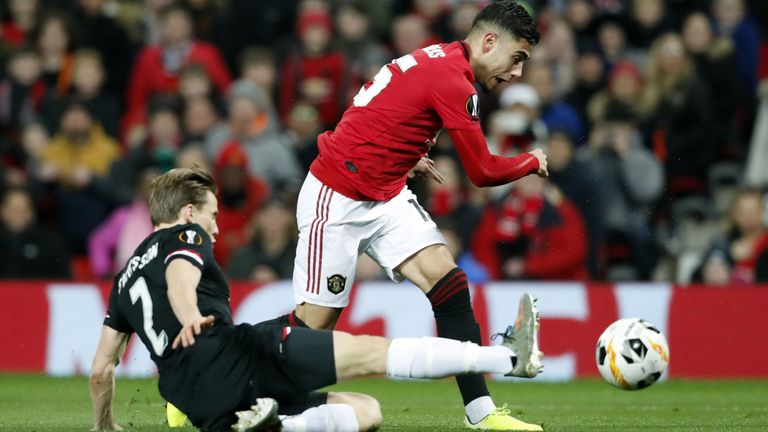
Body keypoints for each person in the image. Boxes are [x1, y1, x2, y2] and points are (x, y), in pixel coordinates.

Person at [88, 166, 544, 432]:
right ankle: (506, 358)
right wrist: (188, 314)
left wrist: (104, 426)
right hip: (238, 359)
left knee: (367, 413)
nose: (216, 227)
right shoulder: (184, 235)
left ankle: (274, 427)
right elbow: (179, 276)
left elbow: (100, 369)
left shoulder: (123, 282)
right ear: (188, 212)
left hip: (200, 403)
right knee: (372, 353)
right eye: (212, 215)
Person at [266, 1, 546, 430]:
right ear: (489, 42)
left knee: (449, 284)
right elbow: (482, 172)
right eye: (517, 58)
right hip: (337, 196)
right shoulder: (455, 80)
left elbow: (375, 105)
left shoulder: (438, 58)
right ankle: (212, 365)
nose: (516, 73)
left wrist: (400, 153)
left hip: (386, 191)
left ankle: (482, 414)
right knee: (311, 328)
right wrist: (531, 160)